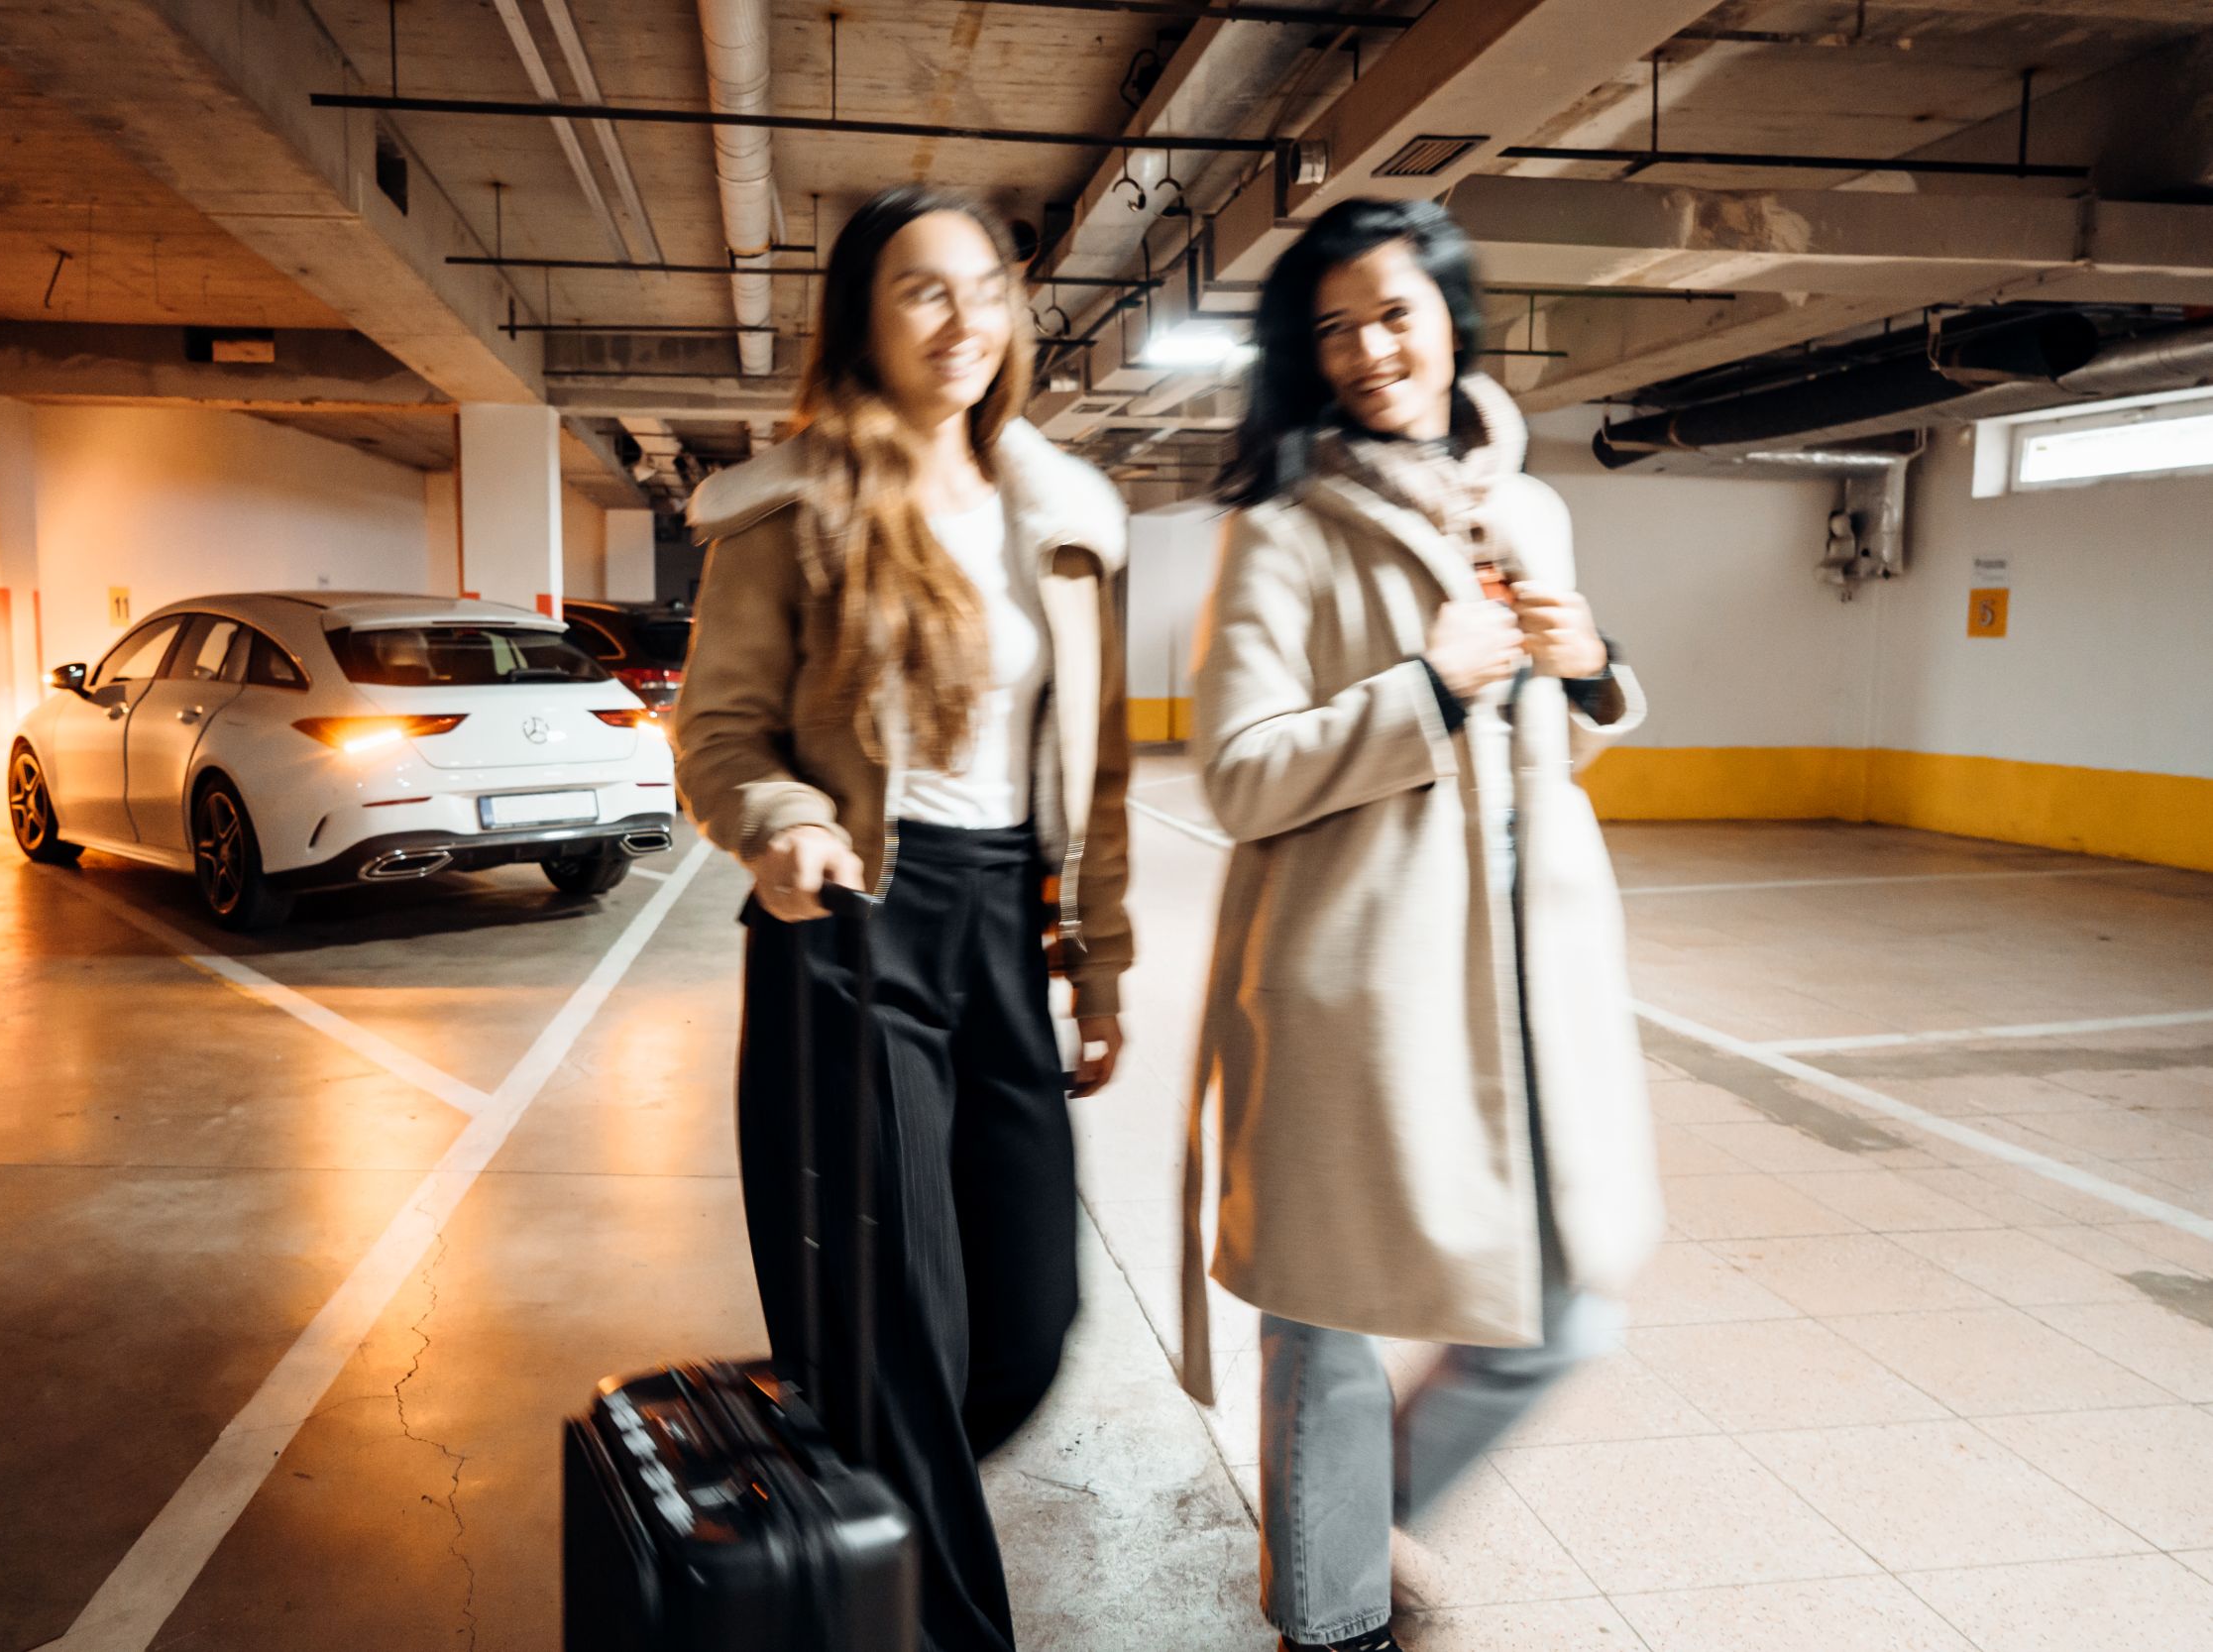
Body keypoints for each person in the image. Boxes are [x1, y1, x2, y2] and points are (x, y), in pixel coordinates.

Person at [1177, 198, 1664, 1652]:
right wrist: (1429, 689)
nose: (1370, 349)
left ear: (1452, 314)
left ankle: (1350, 1520)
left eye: (1394, 312)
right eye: (1333, 328)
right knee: (1324, 1316)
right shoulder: (1279, 533)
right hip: (1358, 973)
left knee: (1569, 1307)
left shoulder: (1528, 509)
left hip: (1528, 968)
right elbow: (1239, 773)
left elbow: (1539, 756)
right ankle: (1330, 1617)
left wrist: (1592, 671)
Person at [674, 184, 1134, 1652]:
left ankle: (863, 1498)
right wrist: (783, 819)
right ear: (863, 323)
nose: (962, 319)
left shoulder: (1064, 519)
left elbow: (1096, 768)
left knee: (1026, 1323)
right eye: (922, 290)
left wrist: (1097, 966)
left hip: (1003, 920)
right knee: (898, 1334)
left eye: (985, 287)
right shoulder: (791, 509)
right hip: (853, 925)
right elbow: (720, 734)